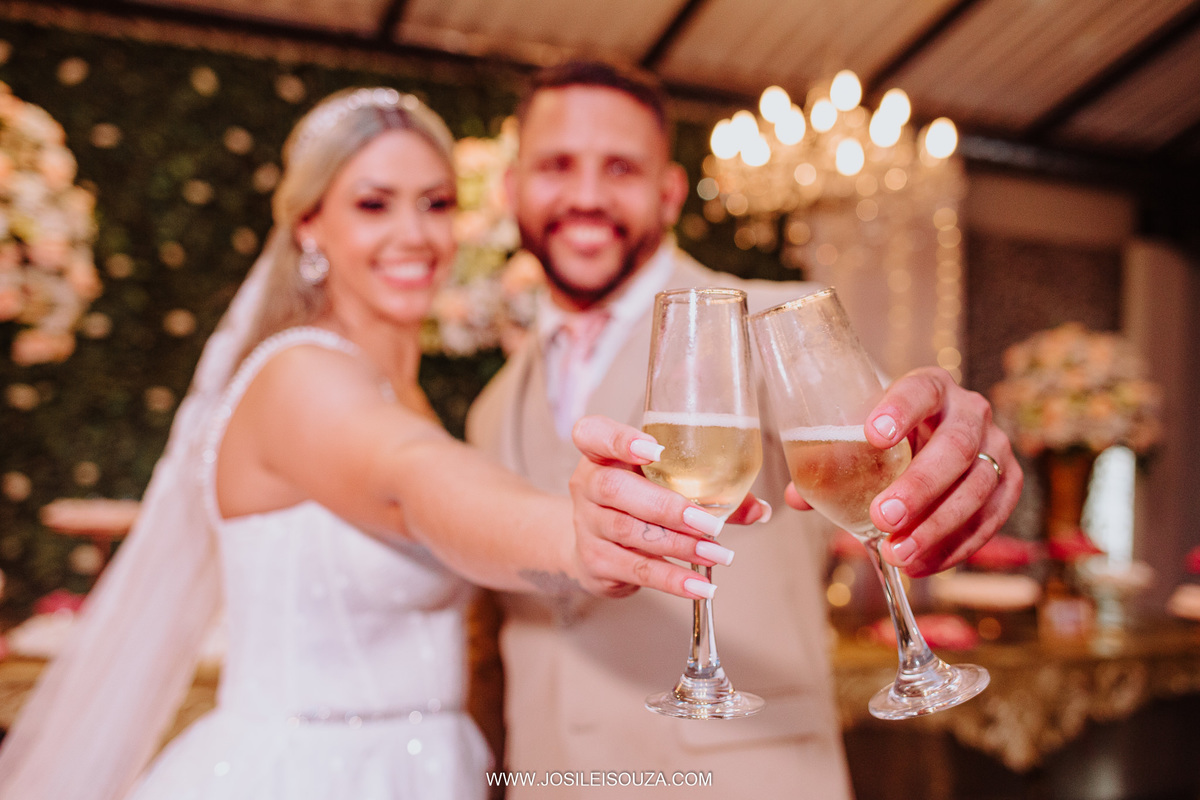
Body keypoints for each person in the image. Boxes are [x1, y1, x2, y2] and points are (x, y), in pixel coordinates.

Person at [0, 87, 760, 800]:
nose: (415, 234)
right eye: (373, 204)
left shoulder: (414, 396)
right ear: (309, 226)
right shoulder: (299, 374)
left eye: (435, 204)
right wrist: (576, 537)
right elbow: (415, 480)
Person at [466, 60, 1023, 798]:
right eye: (557, 165)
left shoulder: (773, 318)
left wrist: (960, 451)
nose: (587, 195)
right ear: (512, 189)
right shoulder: (492, 406)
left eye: (621, 167)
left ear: (668, 194)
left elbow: (906, 430)